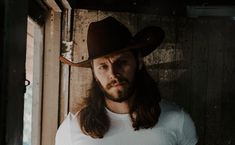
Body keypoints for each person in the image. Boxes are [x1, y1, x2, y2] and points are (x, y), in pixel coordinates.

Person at [56, 16, 198, 145]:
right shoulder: (71, 130)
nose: (113, 73)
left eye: (122, 62)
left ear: (139, 62)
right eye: (103, 66)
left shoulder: (178, 122)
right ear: (94, 73)